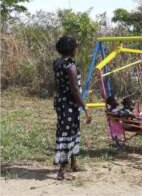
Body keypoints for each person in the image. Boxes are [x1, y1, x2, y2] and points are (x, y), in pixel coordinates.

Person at [53, 36, 91, 180]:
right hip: (70, 103)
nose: (77, 49)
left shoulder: (57, 63)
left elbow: (57, 84)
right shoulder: (71, 67)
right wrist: (85, 108)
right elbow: (75, 90)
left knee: (73, 131)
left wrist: (57, 97)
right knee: (67, 134)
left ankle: (74, 163)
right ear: (71, 49)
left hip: (62, 102)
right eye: (75, 47)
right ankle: (62, 171)